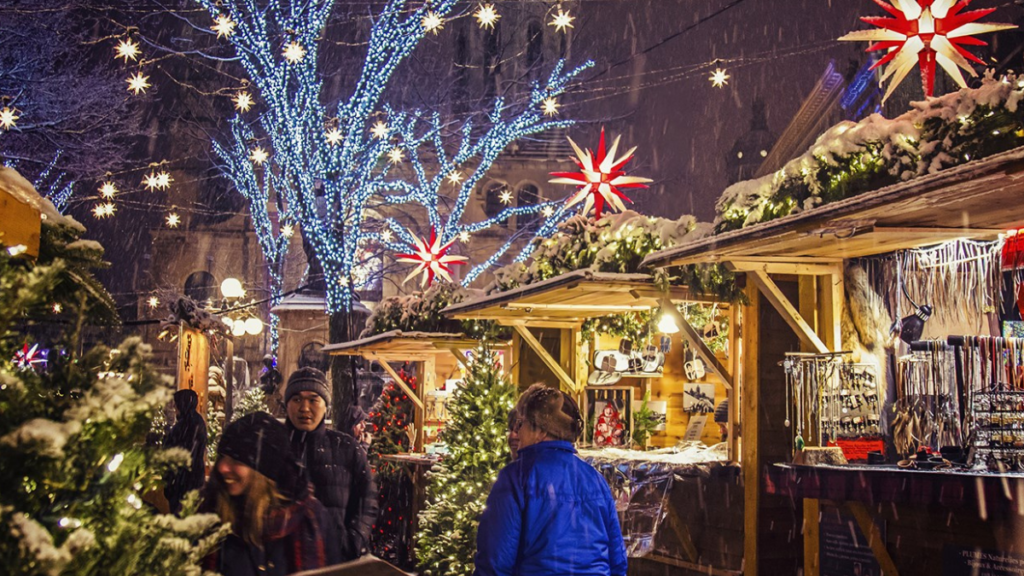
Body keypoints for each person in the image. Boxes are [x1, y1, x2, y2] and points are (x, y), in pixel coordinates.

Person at [475, 384, 628, 576]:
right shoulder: (595, 479)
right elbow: (618, 560)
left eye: (521, 424)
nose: (517, 433)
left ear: (541, 431)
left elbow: (495, 562)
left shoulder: (516, 477)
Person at [202, 412, 339, 575]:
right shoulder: (210, 514)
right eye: (222, 457)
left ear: (265, 472)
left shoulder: (310, 518)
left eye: (236, 461)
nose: (223, 467)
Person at [284, 367, 378, 561]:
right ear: (287, 404)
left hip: (335, 560)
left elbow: (367, 499)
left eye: (313, 399)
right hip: (285, 560)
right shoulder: (273, 447)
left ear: (325, 405)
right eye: (297, 399)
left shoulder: (346, 447)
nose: (304, 408)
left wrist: (352, 541)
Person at [163, 389, 207, 514]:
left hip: (182, 481)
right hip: (193, 478)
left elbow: (176, 453)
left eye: (176, 405)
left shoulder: (185, 425)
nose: (175, 409)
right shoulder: (197, 422)